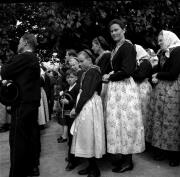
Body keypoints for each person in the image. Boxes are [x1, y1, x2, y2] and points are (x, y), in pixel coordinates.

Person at [103, 19, 145, 173]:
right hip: (117, 89)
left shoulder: (127, 46)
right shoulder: (117, 47)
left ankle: (128, 161)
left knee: (126, 124)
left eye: (116, 30)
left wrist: (110, 76)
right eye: (112, 31)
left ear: (123, 29)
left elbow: (127, 70)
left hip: (124, 89)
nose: (114, 33)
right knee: (118, 123)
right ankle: (122, 157)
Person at [0, 33, 41, 177]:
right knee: (31, 137)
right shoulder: (34, 58)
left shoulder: (24, 57)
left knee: (17, 141)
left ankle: (17, 173)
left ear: (25, 42)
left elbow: (4, 71)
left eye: (19, 42)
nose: (18, 45)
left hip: (22, 104)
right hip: (32, 104)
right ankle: (31, 167)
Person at [146, 30, 180, 166]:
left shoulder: (177, 51)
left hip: (174, 90)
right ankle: (162, 150)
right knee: (160, 120)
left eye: (161, 40)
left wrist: (158, 75)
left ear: (169, 38)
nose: (159, 43)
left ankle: (175, 155)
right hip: (163, 90)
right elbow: (159, 69)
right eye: (158, 41)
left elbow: (173, 73)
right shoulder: (163, 52)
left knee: (172, 122)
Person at [70, 50, 106, 177]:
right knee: (85, 135)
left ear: (89, 59)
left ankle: (95, 169)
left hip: (89, 105)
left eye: (81, 61)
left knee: (89, 135)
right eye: (78, 61)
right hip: (86, 104)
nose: (79, 64)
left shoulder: (93, 71)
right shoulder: (88, 71)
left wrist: (77, 109)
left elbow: (87, 93)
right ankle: (90, 166)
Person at [59, 69, 80, 171]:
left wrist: (69, 102)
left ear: (76, 77)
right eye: (67, 77)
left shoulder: (77, 87)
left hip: (73, 115)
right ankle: (73, 156)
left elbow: (77, 100)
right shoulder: (69, 87)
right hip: (68, 115)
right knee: (70, 138)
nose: (69, 79)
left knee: (72, 138)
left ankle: (73, 160)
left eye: (71, 77)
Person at [132, 44, 152, 133]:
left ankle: (144, 133)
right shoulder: (139, 61)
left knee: (143, 111)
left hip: (143, 88)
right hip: (139, 87)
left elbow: (141, 76)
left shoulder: (145, 62)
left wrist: (130, 74)